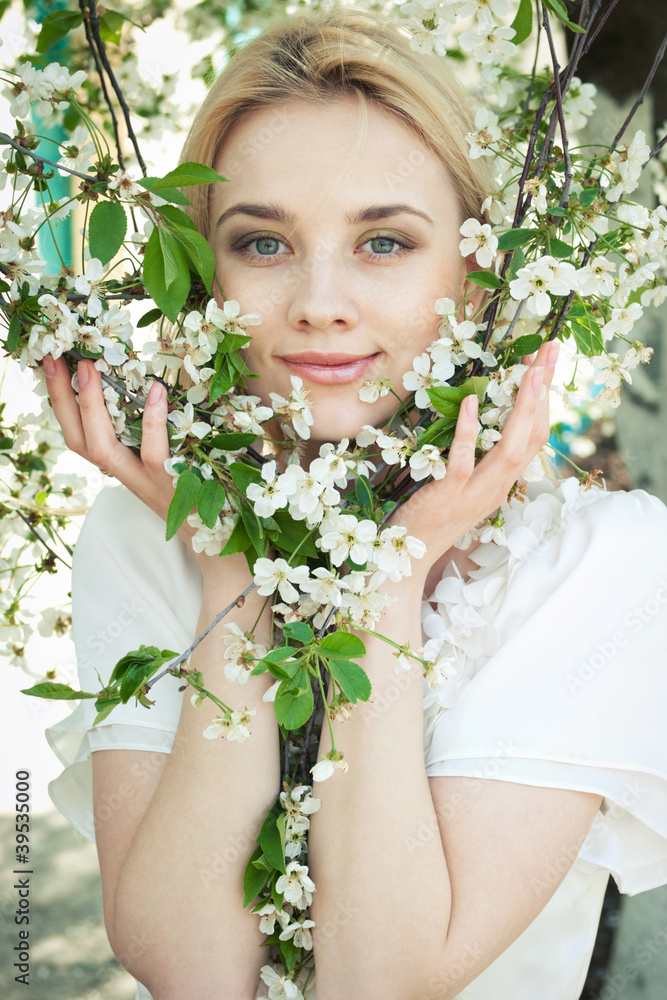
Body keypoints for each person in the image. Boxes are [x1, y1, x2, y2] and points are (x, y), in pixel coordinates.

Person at [41, 7, 667, 1000]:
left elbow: (382, 981)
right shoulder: (145, 533)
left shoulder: (594, 564)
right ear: (203, 284)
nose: (319, 301)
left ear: (473, 279)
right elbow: (191, 972)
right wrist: (230, 571)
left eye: (383, 242)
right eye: (260, 243)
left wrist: (391, 580)